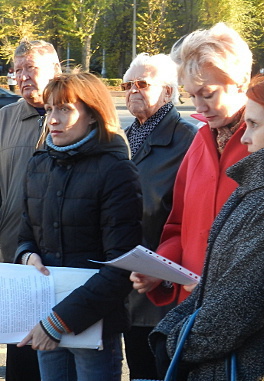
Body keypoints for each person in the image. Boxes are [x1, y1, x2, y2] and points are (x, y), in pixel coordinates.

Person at [150, 65, 264, 380]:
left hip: (242, 367)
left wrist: (174, 344)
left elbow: (239, 305)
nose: (244, 137)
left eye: (255, 125)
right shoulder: (263, 184)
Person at [15, 72, 143, 381]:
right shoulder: (39, 163)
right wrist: (27, 255)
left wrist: (59, 321)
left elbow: (121, 266)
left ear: (92, 114)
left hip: (93, 329)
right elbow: (25, 233)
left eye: (65, 109)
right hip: (44, 315)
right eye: (49, 109)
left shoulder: (116, 172)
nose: (53, 120)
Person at [130, 22, 251, 310]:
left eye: (207, 94)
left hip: (237, 308)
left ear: (242, 82)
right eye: (192, 95)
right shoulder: (200, 140)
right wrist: (159, 268)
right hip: (191, 306)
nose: (200, 106)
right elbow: (179, 226)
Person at [121, 52, 197, 381]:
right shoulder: (122, 137)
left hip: (164, 289)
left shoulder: (187, 138)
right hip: (126, 285)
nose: (132, 91)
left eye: (142, 84)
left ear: (168, 91)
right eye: (127, 84)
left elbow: (186, 216)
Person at [0, 38, 61, 381]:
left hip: (64, 261)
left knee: (61, 355)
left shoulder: (79, 116)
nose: (22, 77)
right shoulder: (4, 119)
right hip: (14, 261)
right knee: (21, 354)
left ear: (55, 70)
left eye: (31, 69)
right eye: (17, 70)